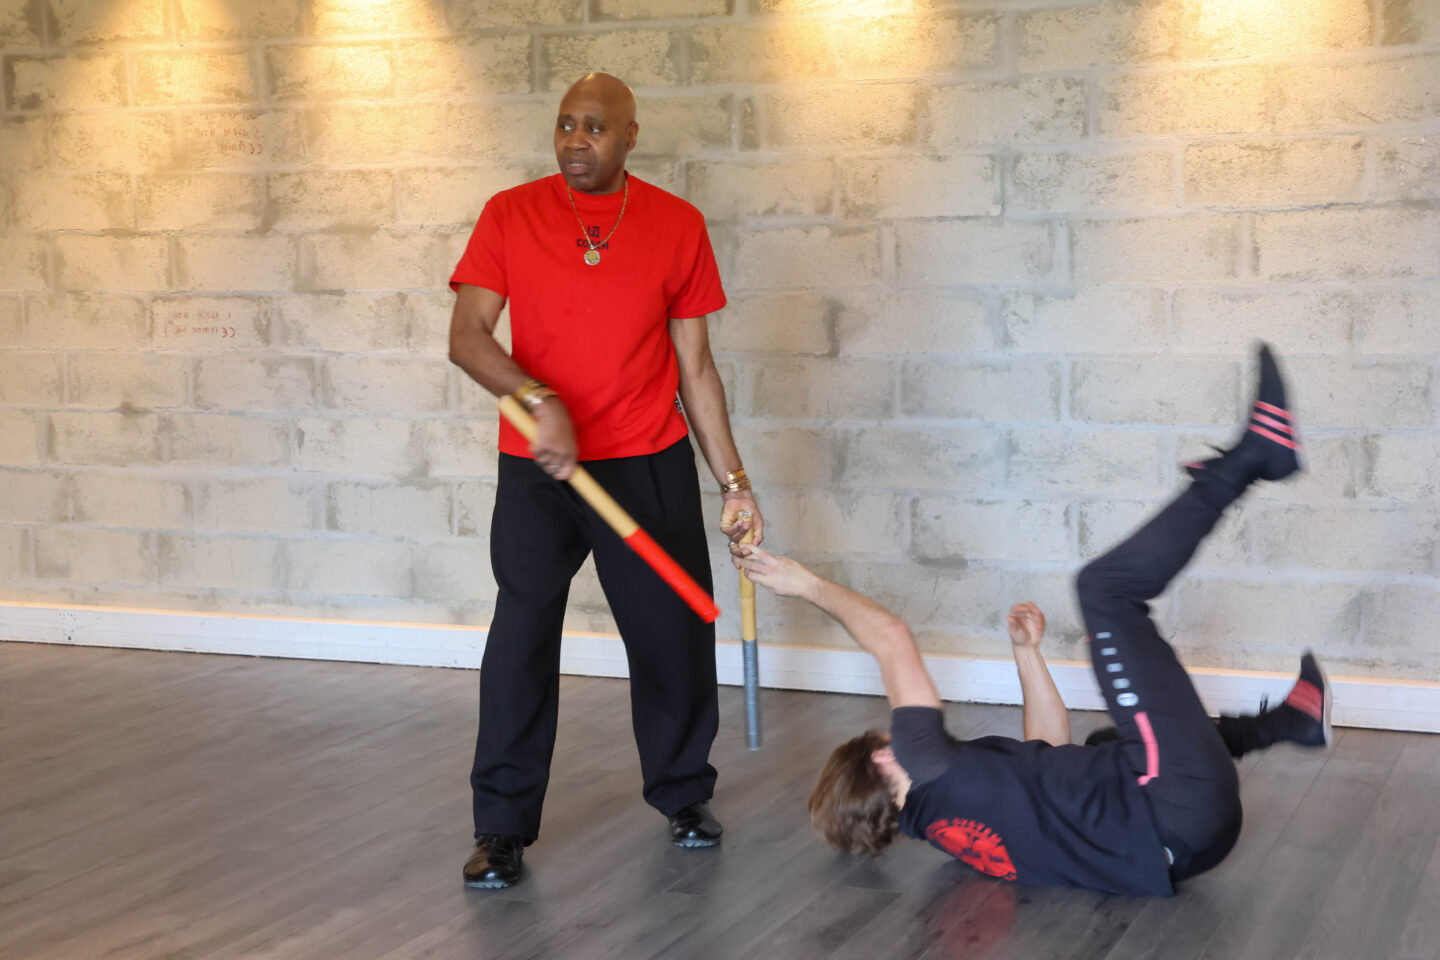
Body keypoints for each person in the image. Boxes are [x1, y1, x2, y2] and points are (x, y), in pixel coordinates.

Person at [732, 344, 1330, 896]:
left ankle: (1291, 722)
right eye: (887, 742)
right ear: (884, 761)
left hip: (1193, 848)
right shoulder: (923, 760)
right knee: (1105, 591)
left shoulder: (945, 829)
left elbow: (1049, 754)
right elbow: (891, 638)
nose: (895, 739)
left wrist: (1027, 653)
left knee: (1101, 748)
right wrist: (804, 584)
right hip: (1179, 802)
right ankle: (1255, 456)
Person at [448, 72, 763, 889]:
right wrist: (538, 401)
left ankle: (684, 794)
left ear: (629, 136)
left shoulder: (677, 224)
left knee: (672, 634)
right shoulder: (510, 214)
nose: (575, 140)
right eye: (565, 125)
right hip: (540, 467)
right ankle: (501, 827)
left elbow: (696, 367)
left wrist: (733, 480)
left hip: (646, 458)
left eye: (593, 127)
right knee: (521, 637)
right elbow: (468, 336)